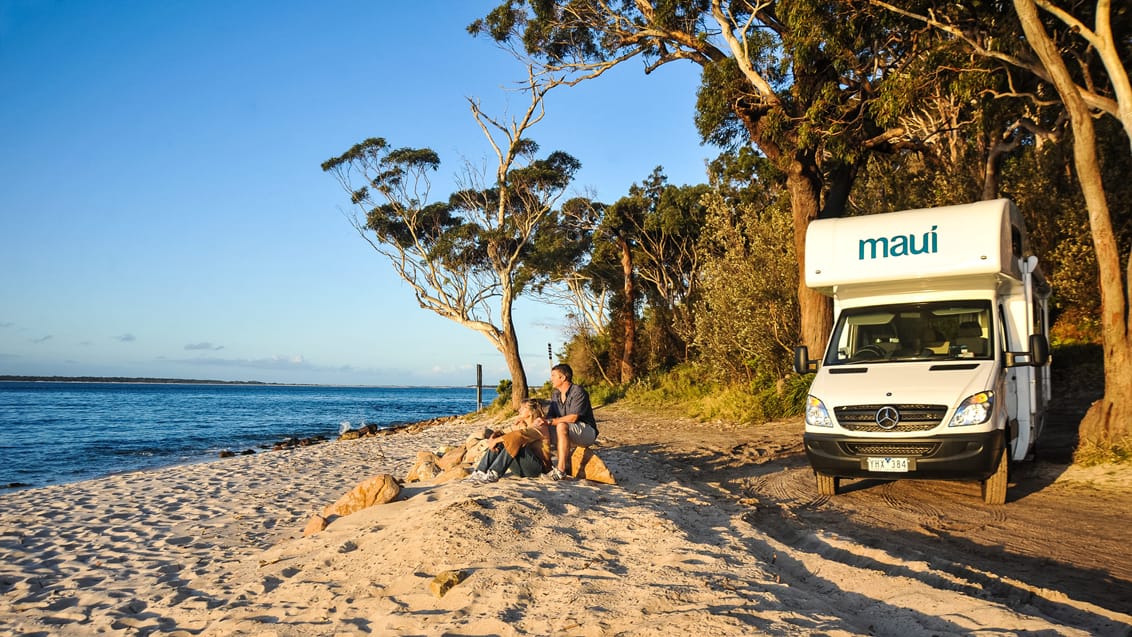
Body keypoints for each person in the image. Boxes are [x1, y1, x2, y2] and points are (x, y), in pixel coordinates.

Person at [466, 399, 551, 483]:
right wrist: (493, 438)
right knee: (502, 440)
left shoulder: (540, 427)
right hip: (520, 469)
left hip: (536, 469)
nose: (519, 410)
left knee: (514, 440)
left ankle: (494, 473)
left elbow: (518, 436)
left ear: (531, 412)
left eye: (523, 408)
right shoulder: (522, 425)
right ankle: (480, 472)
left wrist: (496, 440)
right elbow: (502, 432)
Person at [538, 363, 598, 480]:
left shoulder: (578, 391)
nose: (551, 379)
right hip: (567, 430)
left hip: (586, 431)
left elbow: (573, 418)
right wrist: (538, 420)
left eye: (553, 375)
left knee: (561, 426)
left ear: (563, 378)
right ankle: (548, 466)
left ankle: (561, 470)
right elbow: (550, 417)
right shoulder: (556, 394)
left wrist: (550, 422)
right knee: (542, 428)